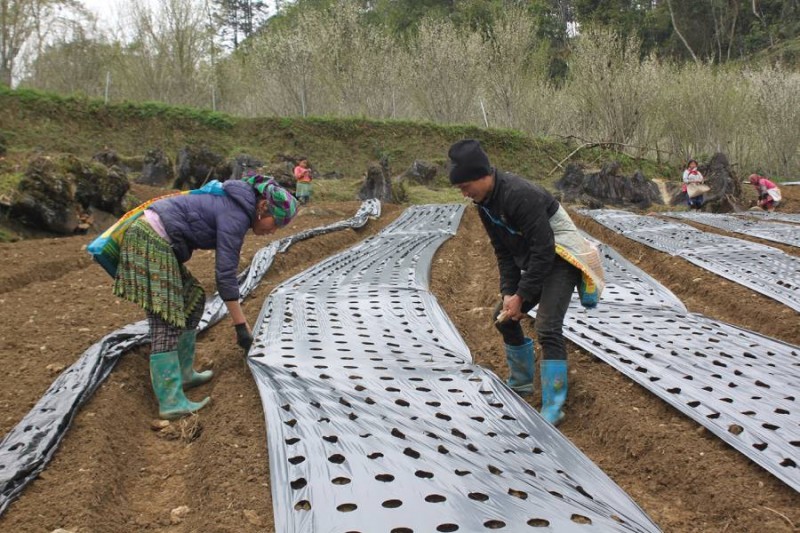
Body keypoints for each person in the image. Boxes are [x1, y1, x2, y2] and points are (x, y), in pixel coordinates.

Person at [113, 175, 297, 420]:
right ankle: (170, 401)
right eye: (276, 223)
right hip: (149, 239)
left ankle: (185, 374)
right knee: (166, 316)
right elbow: (225, 275)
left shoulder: (237, 207)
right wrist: (241, 327)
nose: (273, 230)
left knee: (194, 299)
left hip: (159, 240)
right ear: (263, 208)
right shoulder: (236, 216)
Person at [447, 139, 603, 426]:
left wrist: (524, 293)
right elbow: (504, 252)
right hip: (534, 258)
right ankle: (520, 382)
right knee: (503, 318)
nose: (464, 192)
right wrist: (509, 292)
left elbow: (545, 250)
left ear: (482, 175)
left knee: (547, 326)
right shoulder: (485, 205)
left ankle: (554, 404)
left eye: (465, 185)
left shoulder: (520, 194)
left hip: (560, 257)